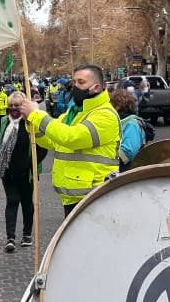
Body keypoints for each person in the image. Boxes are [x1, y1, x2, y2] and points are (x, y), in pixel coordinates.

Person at [18, 64, 120, 217]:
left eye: (81, 82)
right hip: (72, 196)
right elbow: (53, 141)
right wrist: (31, 124)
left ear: (96, 87)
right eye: (74, 82)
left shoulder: (105, 115)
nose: (75, 86)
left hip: (95, 195)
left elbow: (71, 138)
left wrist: (36, 115)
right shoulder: (73, 113)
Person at [0, 92, 46, 252]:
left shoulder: (31, 123)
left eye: (17, 106)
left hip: (27, 173)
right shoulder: (2, 122)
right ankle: (10, 238)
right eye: (11, 105)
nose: (14, 109)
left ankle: (27, 234)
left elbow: (42, 147)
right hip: (8, 173)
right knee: (12, 201)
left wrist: (32, 163)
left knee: (27, 204)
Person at [111, 89, 150, 171]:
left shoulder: (132, 124)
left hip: (126, 173)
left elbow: (128, 152)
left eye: (112, 104)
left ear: (118, 105)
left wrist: (107, 158)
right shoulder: (119, 121)